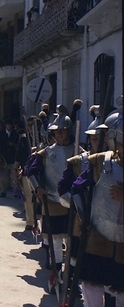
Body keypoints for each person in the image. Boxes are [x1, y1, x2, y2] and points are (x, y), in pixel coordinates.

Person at [70, 103, 124, 306]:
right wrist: (83, 218)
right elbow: (76, 188)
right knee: (92, 287)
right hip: (99, 236)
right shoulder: (100, 162)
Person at [25, 105, 75, 288]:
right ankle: (57, 273)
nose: (60, 134)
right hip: (52, 200)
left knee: (72, 240)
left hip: (74, 203)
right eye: (57, 132)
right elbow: (29, 171)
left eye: (63, 131)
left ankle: (69, 276)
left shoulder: (79, 151)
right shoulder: (46, 152)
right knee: (54, 240)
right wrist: (38, 188)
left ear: (69, 131)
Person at [0, 119, 18, 197]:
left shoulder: (15, 133)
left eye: (10, 125)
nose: (9, 126)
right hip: (4, 157)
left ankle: (16, 191)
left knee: (15, 175)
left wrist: (13, 145)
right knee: (3, 176)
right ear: (5, 125)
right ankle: (3, 191)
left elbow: (18, 145)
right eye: (7, 124)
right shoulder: (1, 134)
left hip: (13, 158)